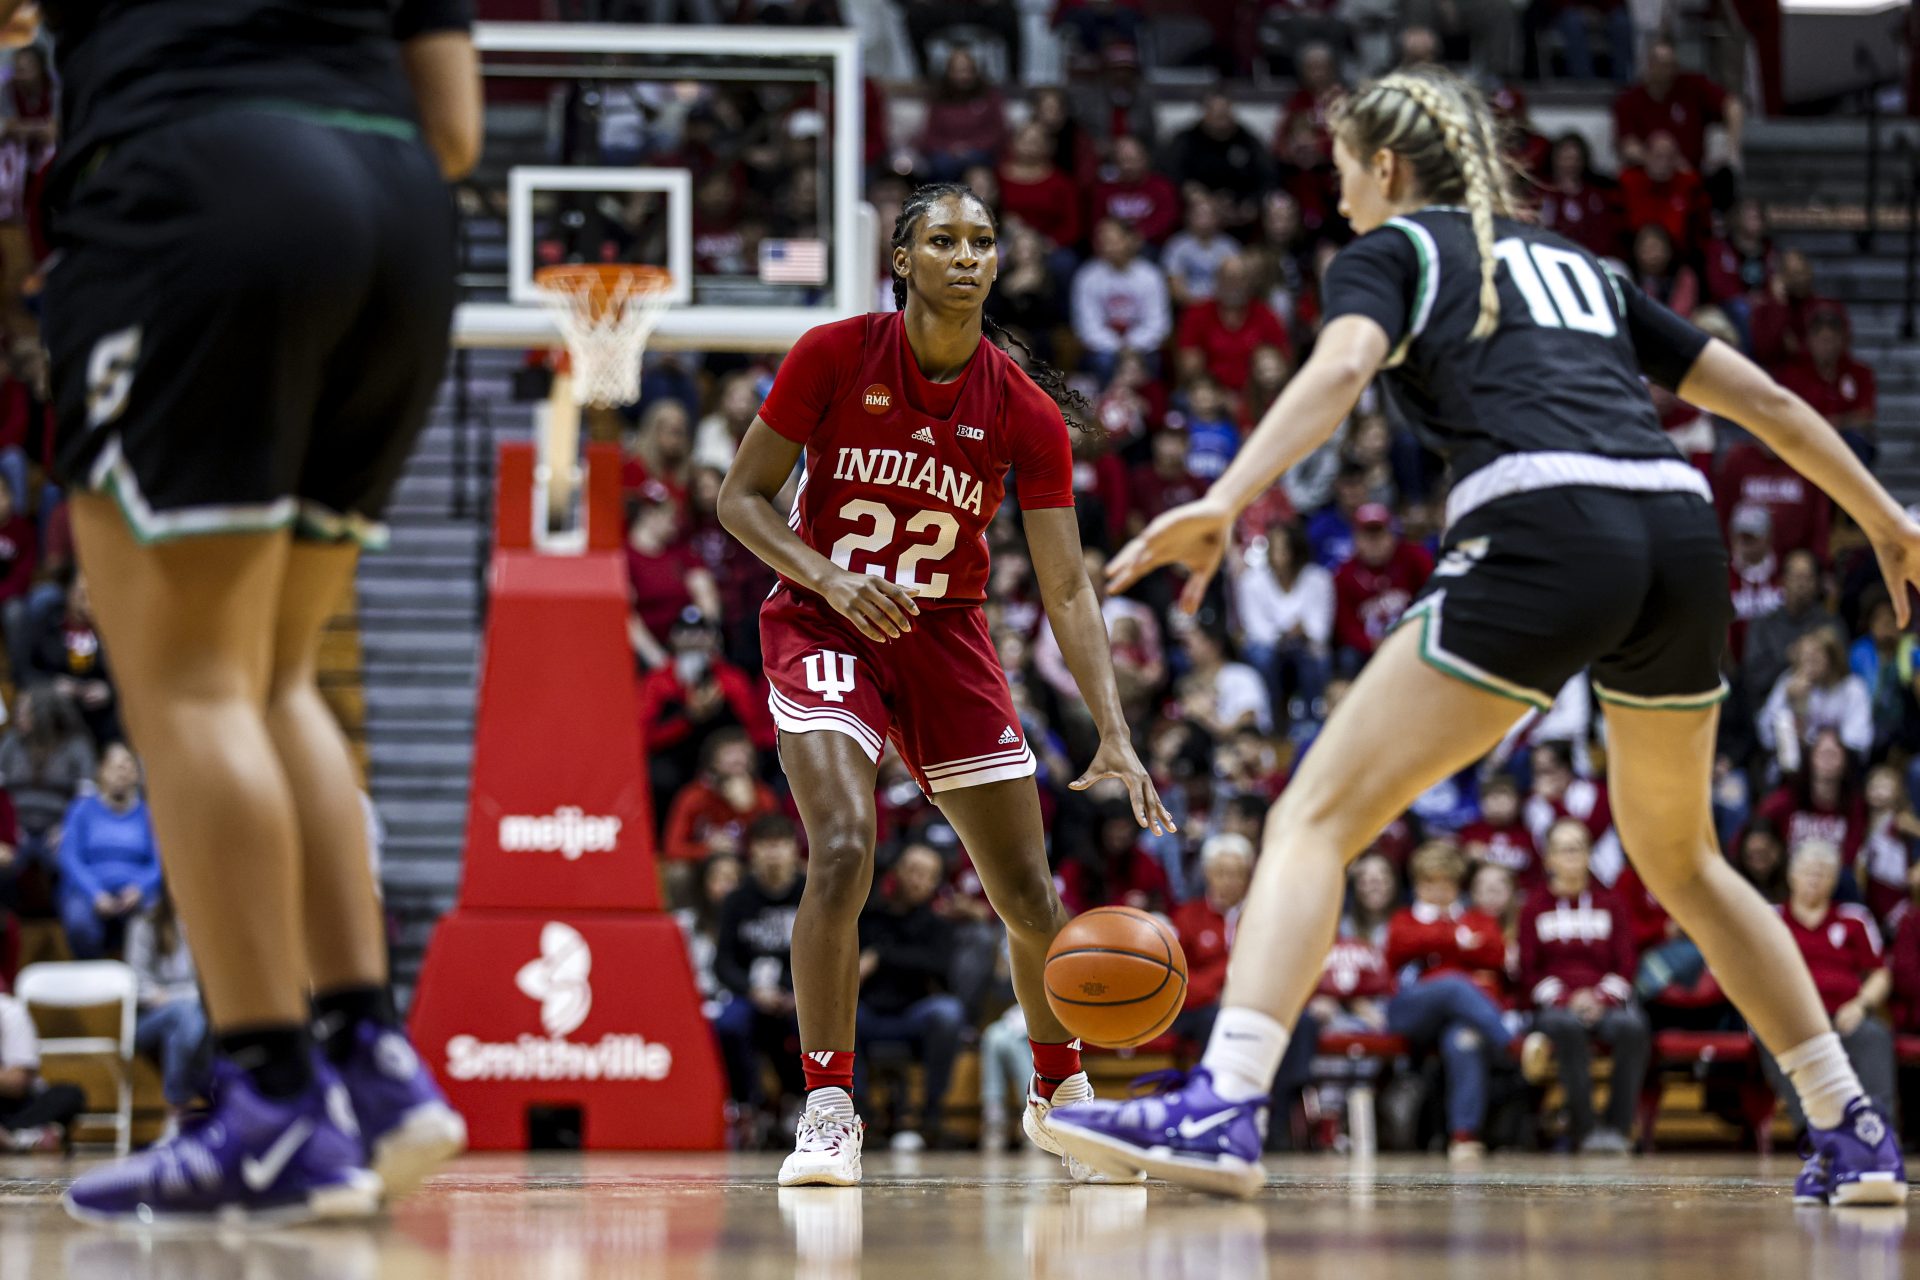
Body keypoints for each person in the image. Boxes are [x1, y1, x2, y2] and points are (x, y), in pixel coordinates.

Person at [1051, 66, 1911, 1205]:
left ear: (1390, 169)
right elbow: (1771, 404)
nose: (1343, 197)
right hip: (1679, 531)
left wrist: (1229, 495)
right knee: (1686, 856)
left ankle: (1224, 1101)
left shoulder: (1396, 251)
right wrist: (1889, 518)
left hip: (1546, 524)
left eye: (1348, 172)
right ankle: (1852, 1127)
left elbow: (1345, 364)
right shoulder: (1583, 267)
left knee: (1313, 814)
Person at [35, 0, 478, 1226]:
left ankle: (270, 1102)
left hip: (201, 186)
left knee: (186, 683)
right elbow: (455, 121)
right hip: (399, 214)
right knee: (276, 676)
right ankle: (367, 1063)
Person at [714, 180, 1172, 1189]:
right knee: (841, 847)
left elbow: (1065, 585)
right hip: (824, 618)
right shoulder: (834, 354)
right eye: (946, 240)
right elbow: (739, 499)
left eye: (985, 241)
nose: (969, 255)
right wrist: (826, 573)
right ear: (905, 260)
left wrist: (1113, 729)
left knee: (1028, 895)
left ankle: (1061, 1099)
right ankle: (829, 1106)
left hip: (947, 636)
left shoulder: (1024, 408)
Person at [1516, 819, 1648, 1153]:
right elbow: (1528, 971)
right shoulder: (1533, 906)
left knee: (1633, 1027)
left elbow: (1626, 964)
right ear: (1548, 859)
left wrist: (1601, 997)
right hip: (1556, 1007)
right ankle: (1585, 1129)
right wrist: (1564, 999)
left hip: (1604, 1002)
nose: (1572, 855)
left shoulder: (1611, 903)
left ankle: (1618, 1128)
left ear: (1590, 855)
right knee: (1566, 1028)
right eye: (1564, 848)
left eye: (1579, 847)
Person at [1762, 840, 1897, 1135]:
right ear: (1791, 876)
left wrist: (1860, 1006)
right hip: (1792, 1017)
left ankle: (1879, 1131)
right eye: (1808, 872)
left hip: (1844, 1014)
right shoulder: (1769, 918)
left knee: (1874, 1035)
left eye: (1822, 873)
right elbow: (1753, 974)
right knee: (1770, 1036)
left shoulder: (1854, 917)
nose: (1814, 879)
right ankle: (1812, 1132)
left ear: (1834, 880)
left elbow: (1880, 974)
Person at [854, 844, 967, 1151]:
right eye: (913, 870)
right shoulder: (868, 916)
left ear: (934, 883)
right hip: (870, 1015)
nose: (917, 880)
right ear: (897, 871)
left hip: (914, 1017)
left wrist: (880, 958)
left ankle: (931, 1115)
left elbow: (938, 966)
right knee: (840, 1015)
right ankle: (859, 1115)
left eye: (927, 875)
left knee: (948, 1012)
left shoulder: (938, 926)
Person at [55, 743, 160, 959]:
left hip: (136, 891)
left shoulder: (149, 814)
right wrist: (95, 894)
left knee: (155, 915)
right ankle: (90, 980)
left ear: (138, 774)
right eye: (115, 767)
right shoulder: (82, 808)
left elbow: (161, 862)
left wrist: (140, 888)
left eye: (128, 767)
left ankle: (142, 982)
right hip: (90, 890)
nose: (122, 773)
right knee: (78, 920)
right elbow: (69, 855)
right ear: (102, 770)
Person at [0, 685, 94, 911]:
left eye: (26, 711)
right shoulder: (11, 743)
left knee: (73, 863)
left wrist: (66, 829)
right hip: (16, 828)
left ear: (45, 713)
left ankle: (66, 922)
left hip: (58, 831)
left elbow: (87, 799)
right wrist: (7, 830)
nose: (18, 716)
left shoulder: (76, 746)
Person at [124, 888, 209, 1111]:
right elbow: (138, 984)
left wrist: (176, 997)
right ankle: (181, 1101)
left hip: (196, 1012)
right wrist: (183, 997)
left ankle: (178, 1110)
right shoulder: (146, 922)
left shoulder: (209, 923)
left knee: (181, 1028)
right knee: (185, 1012)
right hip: (148, 1019)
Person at [0, 989, 84, 1153]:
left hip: (16, 1103)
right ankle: (22, 1139)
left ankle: (13, 1137)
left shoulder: (10, 1012)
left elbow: (18, 1081)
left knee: (68, 1095)